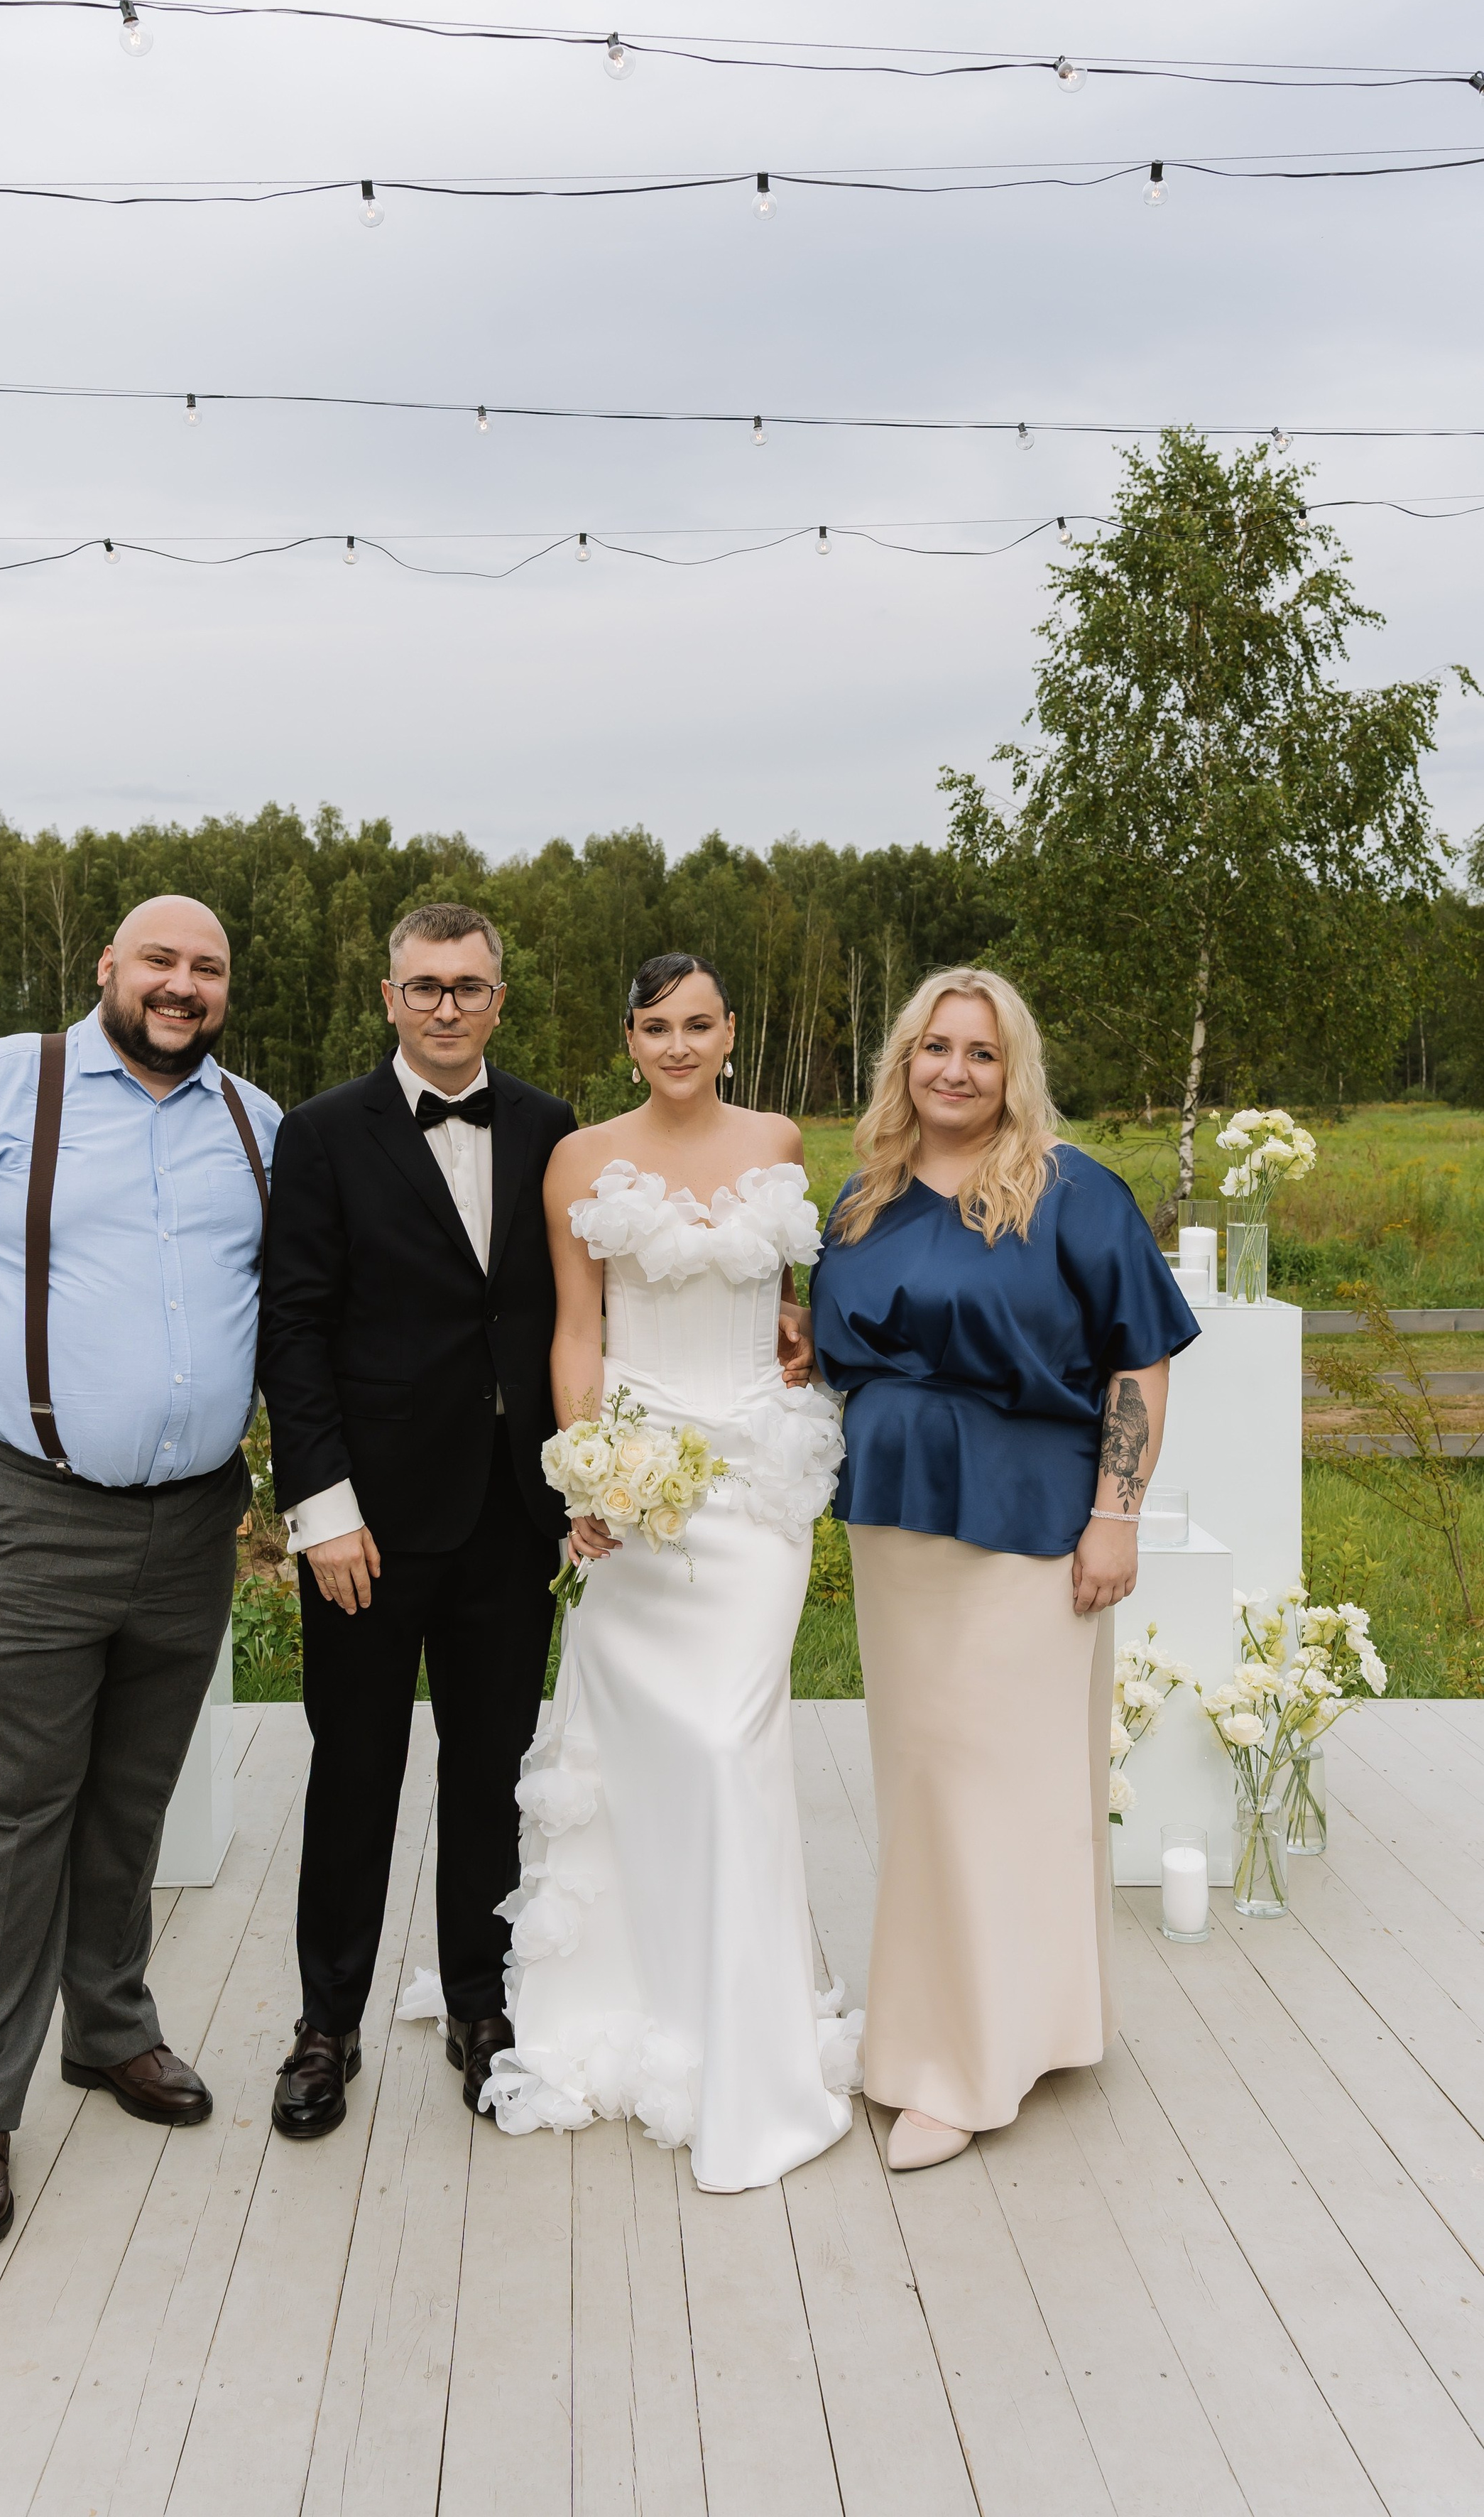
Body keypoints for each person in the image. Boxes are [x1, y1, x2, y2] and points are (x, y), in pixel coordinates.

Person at [0, 895, 280, 2253]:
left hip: (194, 1520)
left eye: (206, 969)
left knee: (132, 1796)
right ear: (109, 968)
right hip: (39, 1516)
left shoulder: (254, 1125)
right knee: (13, 1808)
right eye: (159, 961)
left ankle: (111, 2032)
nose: (181, 985)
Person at [476, 955, 860, 2193]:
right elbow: (575, 1329)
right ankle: (634, 1997)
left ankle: (752, 2031)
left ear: (732, 1033)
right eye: (656, 1026)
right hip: (634, 1484)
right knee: (644, 1745)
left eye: (700, 1024)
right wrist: (590, 1481)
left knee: (728, 1738)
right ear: (628, 1037)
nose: (679, 1044)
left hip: (758, 1486)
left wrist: (798, 1332)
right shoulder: (582, 1158)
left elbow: (786, 1298)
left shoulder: (780, 1135)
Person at [808, 967, 1199, 2171]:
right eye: (936, 1048)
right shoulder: (861, 1199)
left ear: (1012, 1069)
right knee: (930, 1787)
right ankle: (999, 2024)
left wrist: (1116, 1516)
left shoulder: (1073, 1193)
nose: (956, 1071)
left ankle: (967, 2070)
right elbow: (833, 1352)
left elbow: (1139, 1361)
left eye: (981, 1053)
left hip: (1030, 1523)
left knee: (1000, 1788)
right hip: (897, 1528)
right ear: (904, 1062)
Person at [258, 902, 577, 2136]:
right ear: (388, 998)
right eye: (425, 985)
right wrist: (321, 1509)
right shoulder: (325, 1134)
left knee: (492, 1773)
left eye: (471, 985)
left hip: (511, 1511)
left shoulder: (550, 1127)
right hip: (368, 1531)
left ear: (501, 999)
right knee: (355, 1773)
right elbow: (292, 1329)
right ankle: (324, 2026)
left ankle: (480, 2006)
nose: (448, 1005)